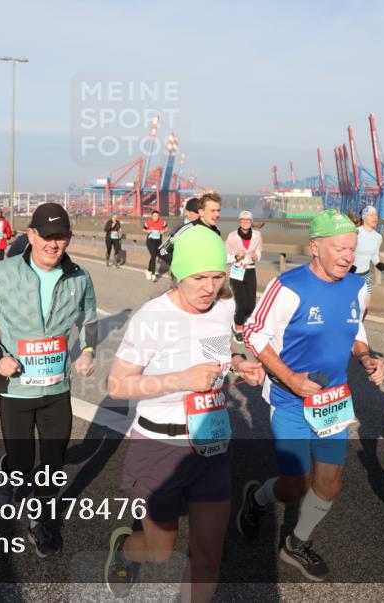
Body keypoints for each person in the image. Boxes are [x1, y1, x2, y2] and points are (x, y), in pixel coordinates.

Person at [104, 226, 264, 601]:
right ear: (178, 274)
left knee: (208, 556)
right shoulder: (152, 317)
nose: (209, 287)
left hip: (211, 444)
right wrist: (183, 379)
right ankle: (126, 549)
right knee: (160, 551)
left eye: (217, 277)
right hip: (158, 446)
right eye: (199, 278)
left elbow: (214, 349)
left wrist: (238, 363)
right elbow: (117, 385)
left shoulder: (223, 307)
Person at [236, 209, 384, 581]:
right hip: (290, 400)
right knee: (294, 486)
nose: (348, 257)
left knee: (330, 484)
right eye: (339, 249)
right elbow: (252, 333)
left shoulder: (357, 287)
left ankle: (296, 543)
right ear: (315, 247)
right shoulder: (287, 287)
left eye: (352, 249)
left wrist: (366, 356)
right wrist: (290, 378)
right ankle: (257, 498)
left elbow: (355, 327)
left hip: (333, 401)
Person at [0, 203, 97, 557]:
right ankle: (7, 470)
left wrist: (87, 351)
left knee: (53, 463)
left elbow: (89, 319)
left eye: (61, 237)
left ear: (69, 238)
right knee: (22, 464)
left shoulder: (79, 277)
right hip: (17, 390)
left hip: (57, 389)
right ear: (32, 235)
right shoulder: (0, 274)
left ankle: (40, 521)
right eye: (47, 236)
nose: (54, 244)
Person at [225, 211, 262, 343]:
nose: (245, 221)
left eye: (248, 220)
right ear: (239, 221)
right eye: (243, 219)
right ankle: (238, 327)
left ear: (251, 222)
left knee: (250, 306)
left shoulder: (257, 235)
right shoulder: (232, 236)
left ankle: (238, 316)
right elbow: (226, 257)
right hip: (237, 271)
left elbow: (259, 251)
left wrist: (257, 257)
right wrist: (236, 257)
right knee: (242, 302)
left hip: (250, 270)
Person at [158, 193, 223, 267]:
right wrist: (182, 267)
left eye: (218, 211)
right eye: (213, 210)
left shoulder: (216, 231)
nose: (217, 214)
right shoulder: (184, 229)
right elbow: (162, 251)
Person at [353, 205, 384, 316]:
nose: (375, 217)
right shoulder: (355, 232)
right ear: (364, 217)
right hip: (351, 274)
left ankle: (360, 323)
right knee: (351, 304)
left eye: (376, 215)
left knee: (366, 307)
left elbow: (374, 255)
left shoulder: (378, 237)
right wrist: (350, 266)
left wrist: (378, 263)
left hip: (366, 275)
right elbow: (348, 250)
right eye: (371, 215)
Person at [142, 209, 168, 281]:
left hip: (158, 242)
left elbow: (166, 228)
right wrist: (147, 231)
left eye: (157, 216)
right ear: (152, 216)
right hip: (150, 241)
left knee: (153, 256)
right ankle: (153, 274)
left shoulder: (162, 222)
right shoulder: (148, 222)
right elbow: (143, 229)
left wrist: (163, 231)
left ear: (158, 216)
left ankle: (148, 271)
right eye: (154, 216)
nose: (155, 217)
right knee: (153, 256)